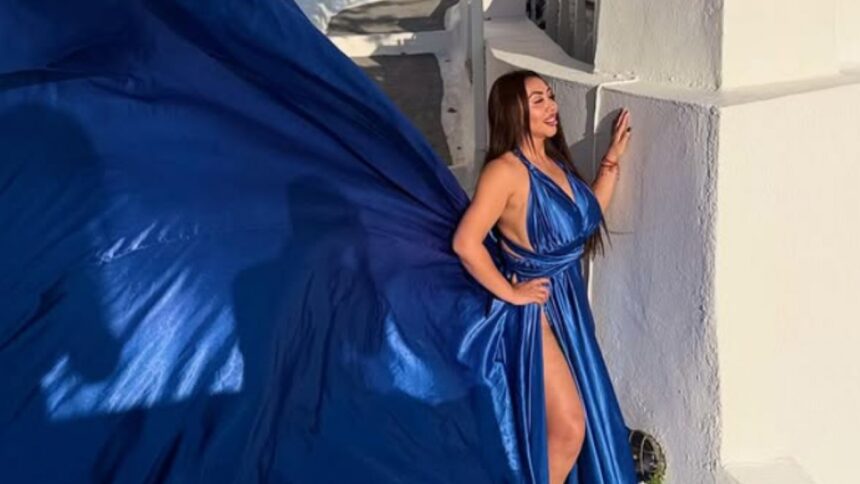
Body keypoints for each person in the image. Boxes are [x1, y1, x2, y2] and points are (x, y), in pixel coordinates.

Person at [452, 70, 636, 484]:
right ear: (513, 111)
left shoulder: (554, 163)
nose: (552, 107)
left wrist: (612, 160)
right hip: (535, 314)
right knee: (569, 427)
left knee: (576, 422)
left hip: (568, 305)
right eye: (538, 100)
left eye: (550, 97)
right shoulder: (504, 171)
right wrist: (511, 293)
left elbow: (585, 219)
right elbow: (466, 242)